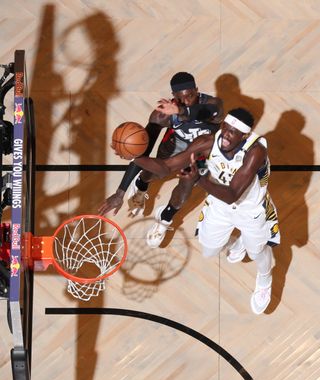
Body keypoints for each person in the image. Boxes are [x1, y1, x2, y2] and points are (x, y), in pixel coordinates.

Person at [133, 107, 278, 314]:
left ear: (244, 135)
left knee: (257, 251)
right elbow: (167, 167)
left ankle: (264, 280)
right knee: (210, 250)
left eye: (232, 132)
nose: (226, 135)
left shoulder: (255, 152)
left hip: (250, 208)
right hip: (220, 205)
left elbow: (233, 194)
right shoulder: (207, 143)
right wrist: (134, 157)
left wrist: (199, 179)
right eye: (225, 128)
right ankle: (238, 240)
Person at [99, 71, 223, 248]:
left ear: (197, 90)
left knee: (186, 187)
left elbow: (208, 112)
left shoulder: (213, 104)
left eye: (190, 95)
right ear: (173, 97)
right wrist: (120, 193)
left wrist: (181, 110)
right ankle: (141, 186)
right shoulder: (162, 115)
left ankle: (164, 219)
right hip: (175, 145)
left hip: (202, 150)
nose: (186, 101)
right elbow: (141, 154)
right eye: (181, 98)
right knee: (151, 172)